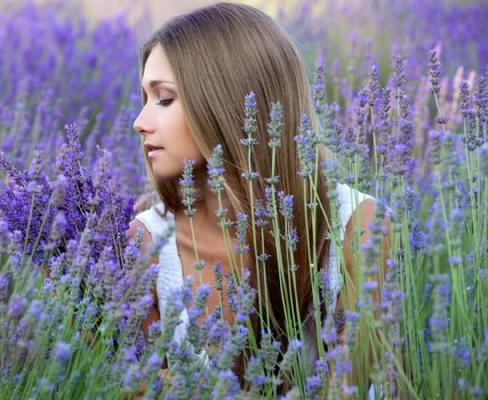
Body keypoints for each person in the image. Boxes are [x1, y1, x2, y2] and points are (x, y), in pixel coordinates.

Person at [126, 2, 390, 397]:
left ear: (226, 100)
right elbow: (132, 386)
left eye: (164, 99)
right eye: (145, 98)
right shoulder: (146, 241)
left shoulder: (358, 224)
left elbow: (349, 386)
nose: (139, 122)